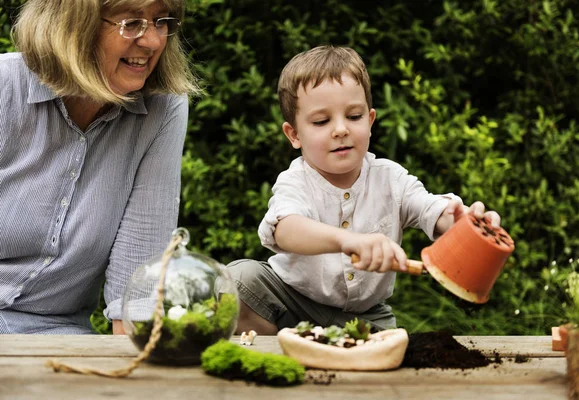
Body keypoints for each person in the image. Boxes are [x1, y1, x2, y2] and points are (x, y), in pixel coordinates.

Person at [226, 45, 501, 334]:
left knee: (392, 350)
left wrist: (462, 224)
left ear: (370, 121)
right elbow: (285, 229)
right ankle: (277, 347)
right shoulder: (296, 181)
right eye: (322, 121)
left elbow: (430, 209)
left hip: (366, 317)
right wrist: (348, 241)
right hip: (293, 303)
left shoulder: (391, 179)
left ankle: (337, 349)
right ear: (294, 134)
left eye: (354, 116)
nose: (341, 129)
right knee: (238, 279)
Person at [0, 0, 201, 334]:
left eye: (161, 21)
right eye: (131, 22)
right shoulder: (4, 87)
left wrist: (135, 376)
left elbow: (136, 285)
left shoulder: (163, 109)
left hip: (58, 337)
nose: (152, 41)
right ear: (73, 25)